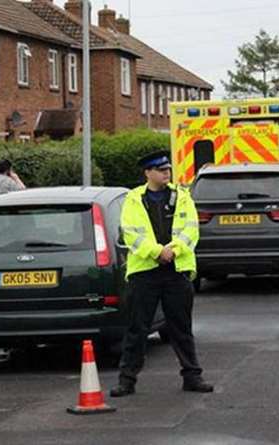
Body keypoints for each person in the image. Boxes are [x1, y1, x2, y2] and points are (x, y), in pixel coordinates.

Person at [110, 150, 213, 397]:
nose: (167, 173)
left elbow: (191, 230)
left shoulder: (182, 197)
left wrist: (174, 250)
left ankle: (192, 376)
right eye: (161, 170)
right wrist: (157, 252)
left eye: (168, 169)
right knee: (137, 329)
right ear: (148, 173)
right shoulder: (134, 199)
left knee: (181, 328)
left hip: (176, 271)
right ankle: (127, 380)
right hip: (145, 272)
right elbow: (130, 234)